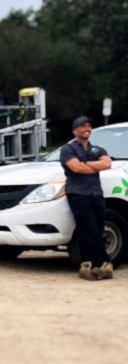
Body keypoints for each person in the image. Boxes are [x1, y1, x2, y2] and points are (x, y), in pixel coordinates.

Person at [61, 116, 114, 280]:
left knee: (97, 228)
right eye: (82, 126)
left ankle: (87, 265)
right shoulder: (68, 149)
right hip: (78, 194)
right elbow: (76, 168)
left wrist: (86, 164)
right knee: (88, 229)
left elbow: (107, 164)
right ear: (74, 130)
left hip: (96, 193)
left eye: (89, 126)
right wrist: (92, 165)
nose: (87, 129)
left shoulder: (97, 149)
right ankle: (105, 262)